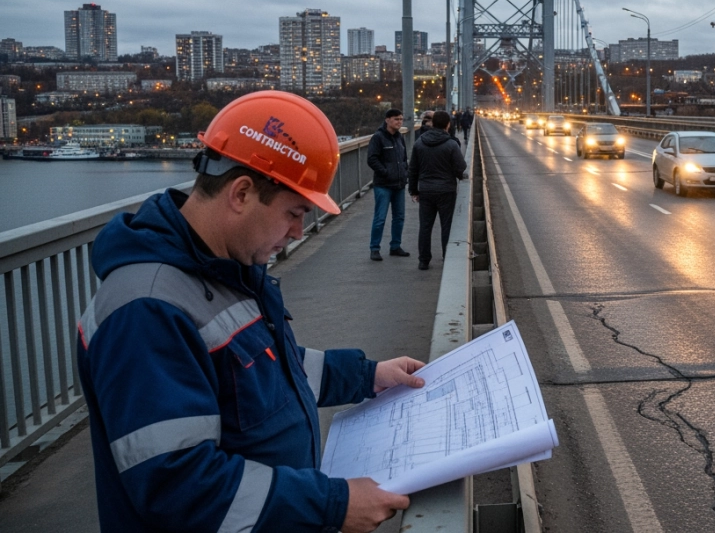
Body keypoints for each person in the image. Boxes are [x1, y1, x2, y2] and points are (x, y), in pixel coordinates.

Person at [77, 90, 425, 533]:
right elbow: (178, 485)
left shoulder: (224, 266)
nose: (300, 232)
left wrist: (367, 376)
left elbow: (265, 371)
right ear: (241, 193)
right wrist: (331, 504)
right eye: (294, 212)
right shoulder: (146, 310)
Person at [408, 110, 467, 270]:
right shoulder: (451, 144)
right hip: (446, 190)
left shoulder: (420, 142)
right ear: (448, 124)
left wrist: (413, 190)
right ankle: (447, 256)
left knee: (425, 226)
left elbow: (413, 169)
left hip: (426, 191)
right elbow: (460, 167)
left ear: (432, 124)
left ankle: (423, 260)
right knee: (447, 225)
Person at [366, 108, 409, 260]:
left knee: (399, 217)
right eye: (396, 119)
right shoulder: (378, 138)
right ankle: (374, 248)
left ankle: (395, 246)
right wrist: (385, 172)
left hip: (399, 184)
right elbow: (372, 159)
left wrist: (404, 172)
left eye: (401, 119)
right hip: (383, 185)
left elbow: (404, 158)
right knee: (380, 218)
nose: (399, 122)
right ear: (387, 120)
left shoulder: (399, 138)